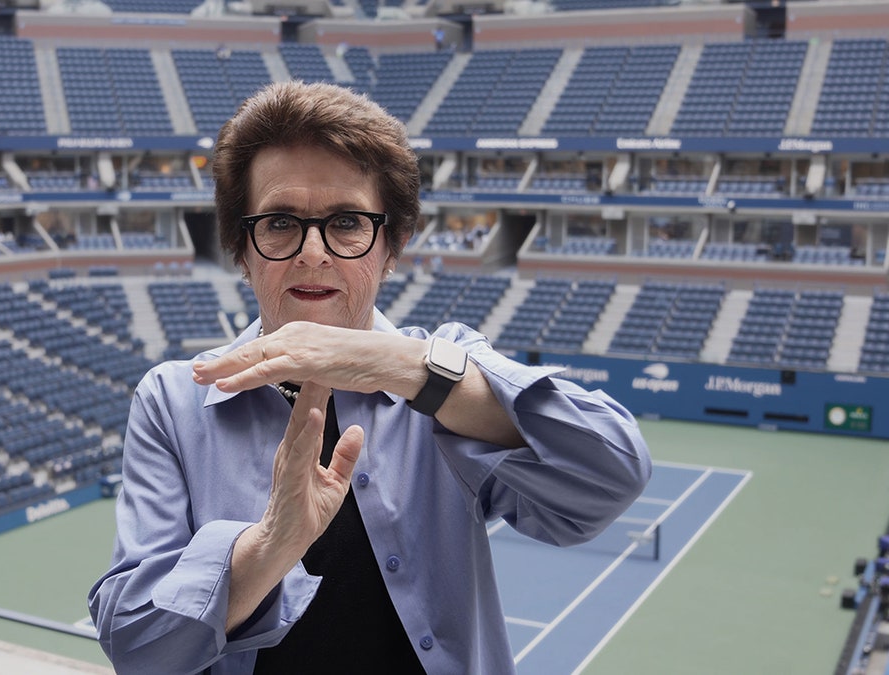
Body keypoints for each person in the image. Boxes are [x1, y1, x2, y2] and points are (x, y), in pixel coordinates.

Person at [88, 81, 651, 675]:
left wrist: (396, 365)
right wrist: (270, 546)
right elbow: (137, 649)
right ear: (241, 247)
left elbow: (610, 478)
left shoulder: (448, 371)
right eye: (280, 222)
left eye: (347, 222)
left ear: (392, 246)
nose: (312, 253)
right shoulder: (175, 402)